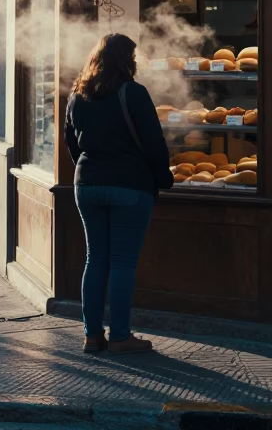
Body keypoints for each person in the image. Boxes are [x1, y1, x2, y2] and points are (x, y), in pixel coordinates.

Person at [63, 33, 172, 355]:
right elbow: (153, 142)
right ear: (127, 60)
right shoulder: (133, 93)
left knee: (95, 259)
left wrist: (89, 169)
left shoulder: (78, 96)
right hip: (129, 185)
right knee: (123, 261)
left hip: (87, 183)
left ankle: (92, 336)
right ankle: (122, 336)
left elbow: (71, 143)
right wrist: (163, 176)